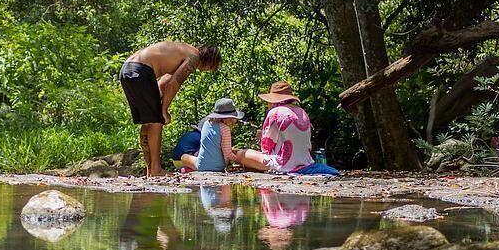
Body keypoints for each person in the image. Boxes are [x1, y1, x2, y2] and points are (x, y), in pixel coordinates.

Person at [119, 41, 221, 176]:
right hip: (141, 71)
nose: (206, 71)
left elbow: (163, 83)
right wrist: (164, 110)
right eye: (210, 68)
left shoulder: (184, 51)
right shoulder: (194, 57)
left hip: (127, 70)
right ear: (210, 60)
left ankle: (151, 170)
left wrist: (157, 103)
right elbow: (174, 83)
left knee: (148, 122)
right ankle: (156, 169)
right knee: (156, 122)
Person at [237, 81, 339, 176]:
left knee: (242, 154)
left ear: (273, 100)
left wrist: (261, 136)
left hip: (282, 164)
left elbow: (266, 147)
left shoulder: (275, 113)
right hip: (305, 163)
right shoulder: (302, 112)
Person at [192, 98, 243, 172]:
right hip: (217, 167)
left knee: (186, 157)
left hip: (201, 165)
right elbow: (227, 154)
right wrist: (239, 160)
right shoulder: (225, 129)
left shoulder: (206, 123)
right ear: (229, 118)